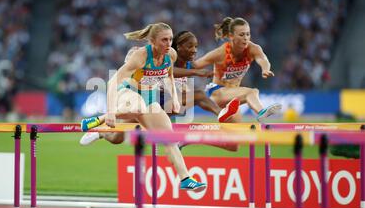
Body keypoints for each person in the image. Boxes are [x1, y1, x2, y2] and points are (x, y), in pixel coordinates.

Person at [80, 22, 206, 192]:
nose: (169, 44)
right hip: (126, 92)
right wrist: (109, 111)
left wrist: (175, 97)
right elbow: (112, 82)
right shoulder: (140, 56)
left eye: (170, 39)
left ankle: (185, 179)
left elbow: (169, 75)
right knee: (138, 107)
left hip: (149, 97)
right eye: (164, 40)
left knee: (168, 137)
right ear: (152, 41)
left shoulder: (171, 55)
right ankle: (99, 119)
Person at [79, 30, 240, 151]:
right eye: (190, 46)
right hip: (148, 99)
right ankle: (100, 130)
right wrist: (194, 73)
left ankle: (219, 116)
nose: (194, 50)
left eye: (196, 47)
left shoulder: (186, 61)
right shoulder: (157, 56)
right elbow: (168, 71)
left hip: (164, 105)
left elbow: (183, 71)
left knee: (117, 138)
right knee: (116, 137)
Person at [191, 17, 281, 122]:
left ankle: (225, 115)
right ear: (231, 36)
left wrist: (265, 69)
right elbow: (195, 65)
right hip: (217, 93)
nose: (246, 38)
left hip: (233, 99)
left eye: (248, 34)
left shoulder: (253, 48)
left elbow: (263, 59)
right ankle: (261, 112)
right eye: (241, 35)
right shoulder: (220, 53)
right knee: (252, 92)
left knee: (235, 129)